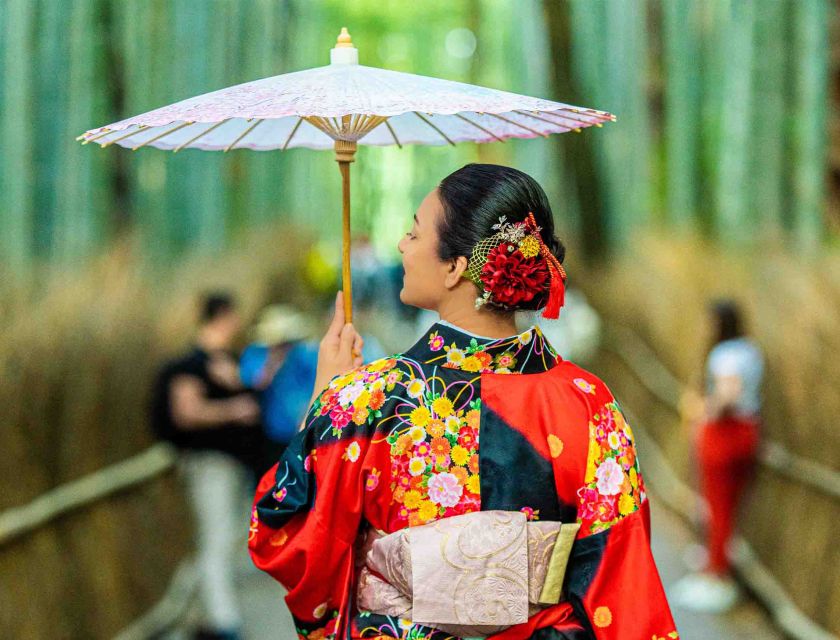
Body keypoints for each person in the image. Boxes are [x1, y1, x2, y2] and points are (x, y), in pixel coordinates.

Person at [248, 164, 677, 640]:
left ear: (455, 268)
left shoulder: (370, 398)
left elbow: (282, 531)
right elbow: (621, 571)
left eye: (413, 232)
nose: (401, 247)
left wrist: (324, 398)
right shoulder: (588, 402)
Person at [151, 292, 262, 640]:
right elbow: (187, 412)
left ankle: (207, 615)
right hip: (209, 465)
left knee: (225, 538)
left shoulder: (227, 362)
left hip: (232, 465)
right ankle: (224, 622)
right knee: (215, 540)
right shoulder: (190, 366)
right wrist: (233, 409)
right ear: (225, 316)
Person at [673, 300, 763, 614]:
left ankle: (716, 576)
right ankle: (716, 564)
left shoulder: (723, 354)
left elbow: (729, 392)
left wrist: (705, 411)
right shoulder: (750, 350)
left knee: (717, 506)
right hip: (749, 431)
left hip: (724, 432)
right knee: (730, 506)